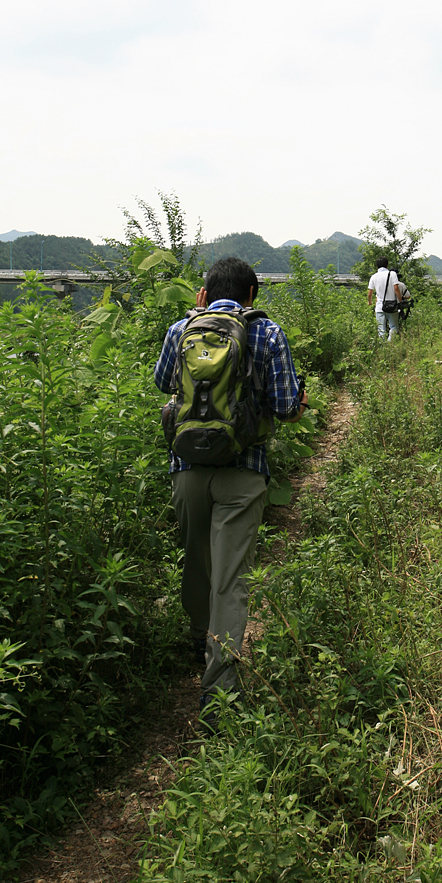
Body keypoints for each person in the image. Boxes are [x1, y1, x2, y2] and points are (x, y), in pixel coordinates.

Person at [154, 256, 307, 723]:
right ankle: (218, 690)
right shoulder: (267, 332)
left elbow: (163, 382)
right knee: (231, 577)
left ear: (204, 293)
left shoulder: (183, 328)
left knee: (197, 558)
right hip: (243, 470)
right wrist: (298, 405)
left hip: (187, 467)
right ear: (252, 295)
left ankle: (199, 634)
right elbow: (284, 407)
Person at [367, 257, 403, 341]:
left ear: (377, 266)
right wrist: (400, 300)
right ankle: (390, 343)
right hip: (392, 306)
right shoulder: (392, 274)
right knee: (393, 326)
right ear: (387, 265)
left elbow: (370, 293)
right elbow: (396, 288)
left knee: (381, 329)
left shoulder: (374, 277)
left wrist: (370, 302)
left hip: (379, 306)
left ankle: (383, 346)